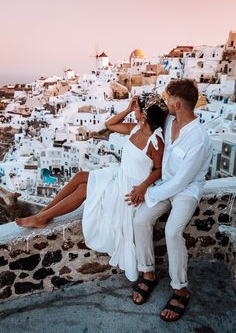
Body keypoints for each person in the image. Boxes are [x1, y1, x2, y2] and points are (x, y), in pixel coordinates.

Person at [16, 93, 168, 281]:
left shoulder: (155, 141)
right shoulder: (135, 129)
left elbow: (160, 169)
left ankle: (43, 216)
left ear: (144, 114)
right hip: (118, 175)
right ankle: (43, 214)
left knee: (82, 190)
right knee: (80, 176)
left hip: (129, 188)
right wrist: (128, 109)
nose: (134, 109)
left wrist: (144, 186)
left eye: (137, 108)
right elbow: (110, 125)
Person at [126, 79, 212, 321]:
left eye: (168, 100)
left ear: (177, 104)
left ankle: (180, 289)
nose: (165, 102)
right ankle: (148, 273)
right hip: (164, 185)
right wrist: (134, 107)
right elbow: (149, 112)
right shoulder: (170, 119)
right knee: (140, 220)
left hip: (186, 191)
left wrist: (147, 193)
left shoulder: (199, 139)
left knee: (173, 232)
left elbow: (182, 181)